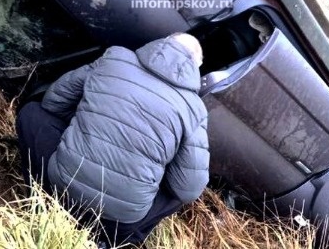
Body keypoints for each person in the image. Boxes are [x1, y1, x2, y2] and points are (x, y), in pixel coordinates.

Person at [16, 33, 209, 247]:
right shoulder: (194, 109)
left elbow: (54, 101)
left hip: (61, 187)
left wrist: (86, 125)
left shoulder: (114, 58)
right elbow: (189, 189)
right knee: (177, 193)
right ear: (196, 67)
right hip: (117, 223)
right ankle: (118, 242)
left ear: (161, 44)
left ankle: (39, 199)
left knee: (32, 113)